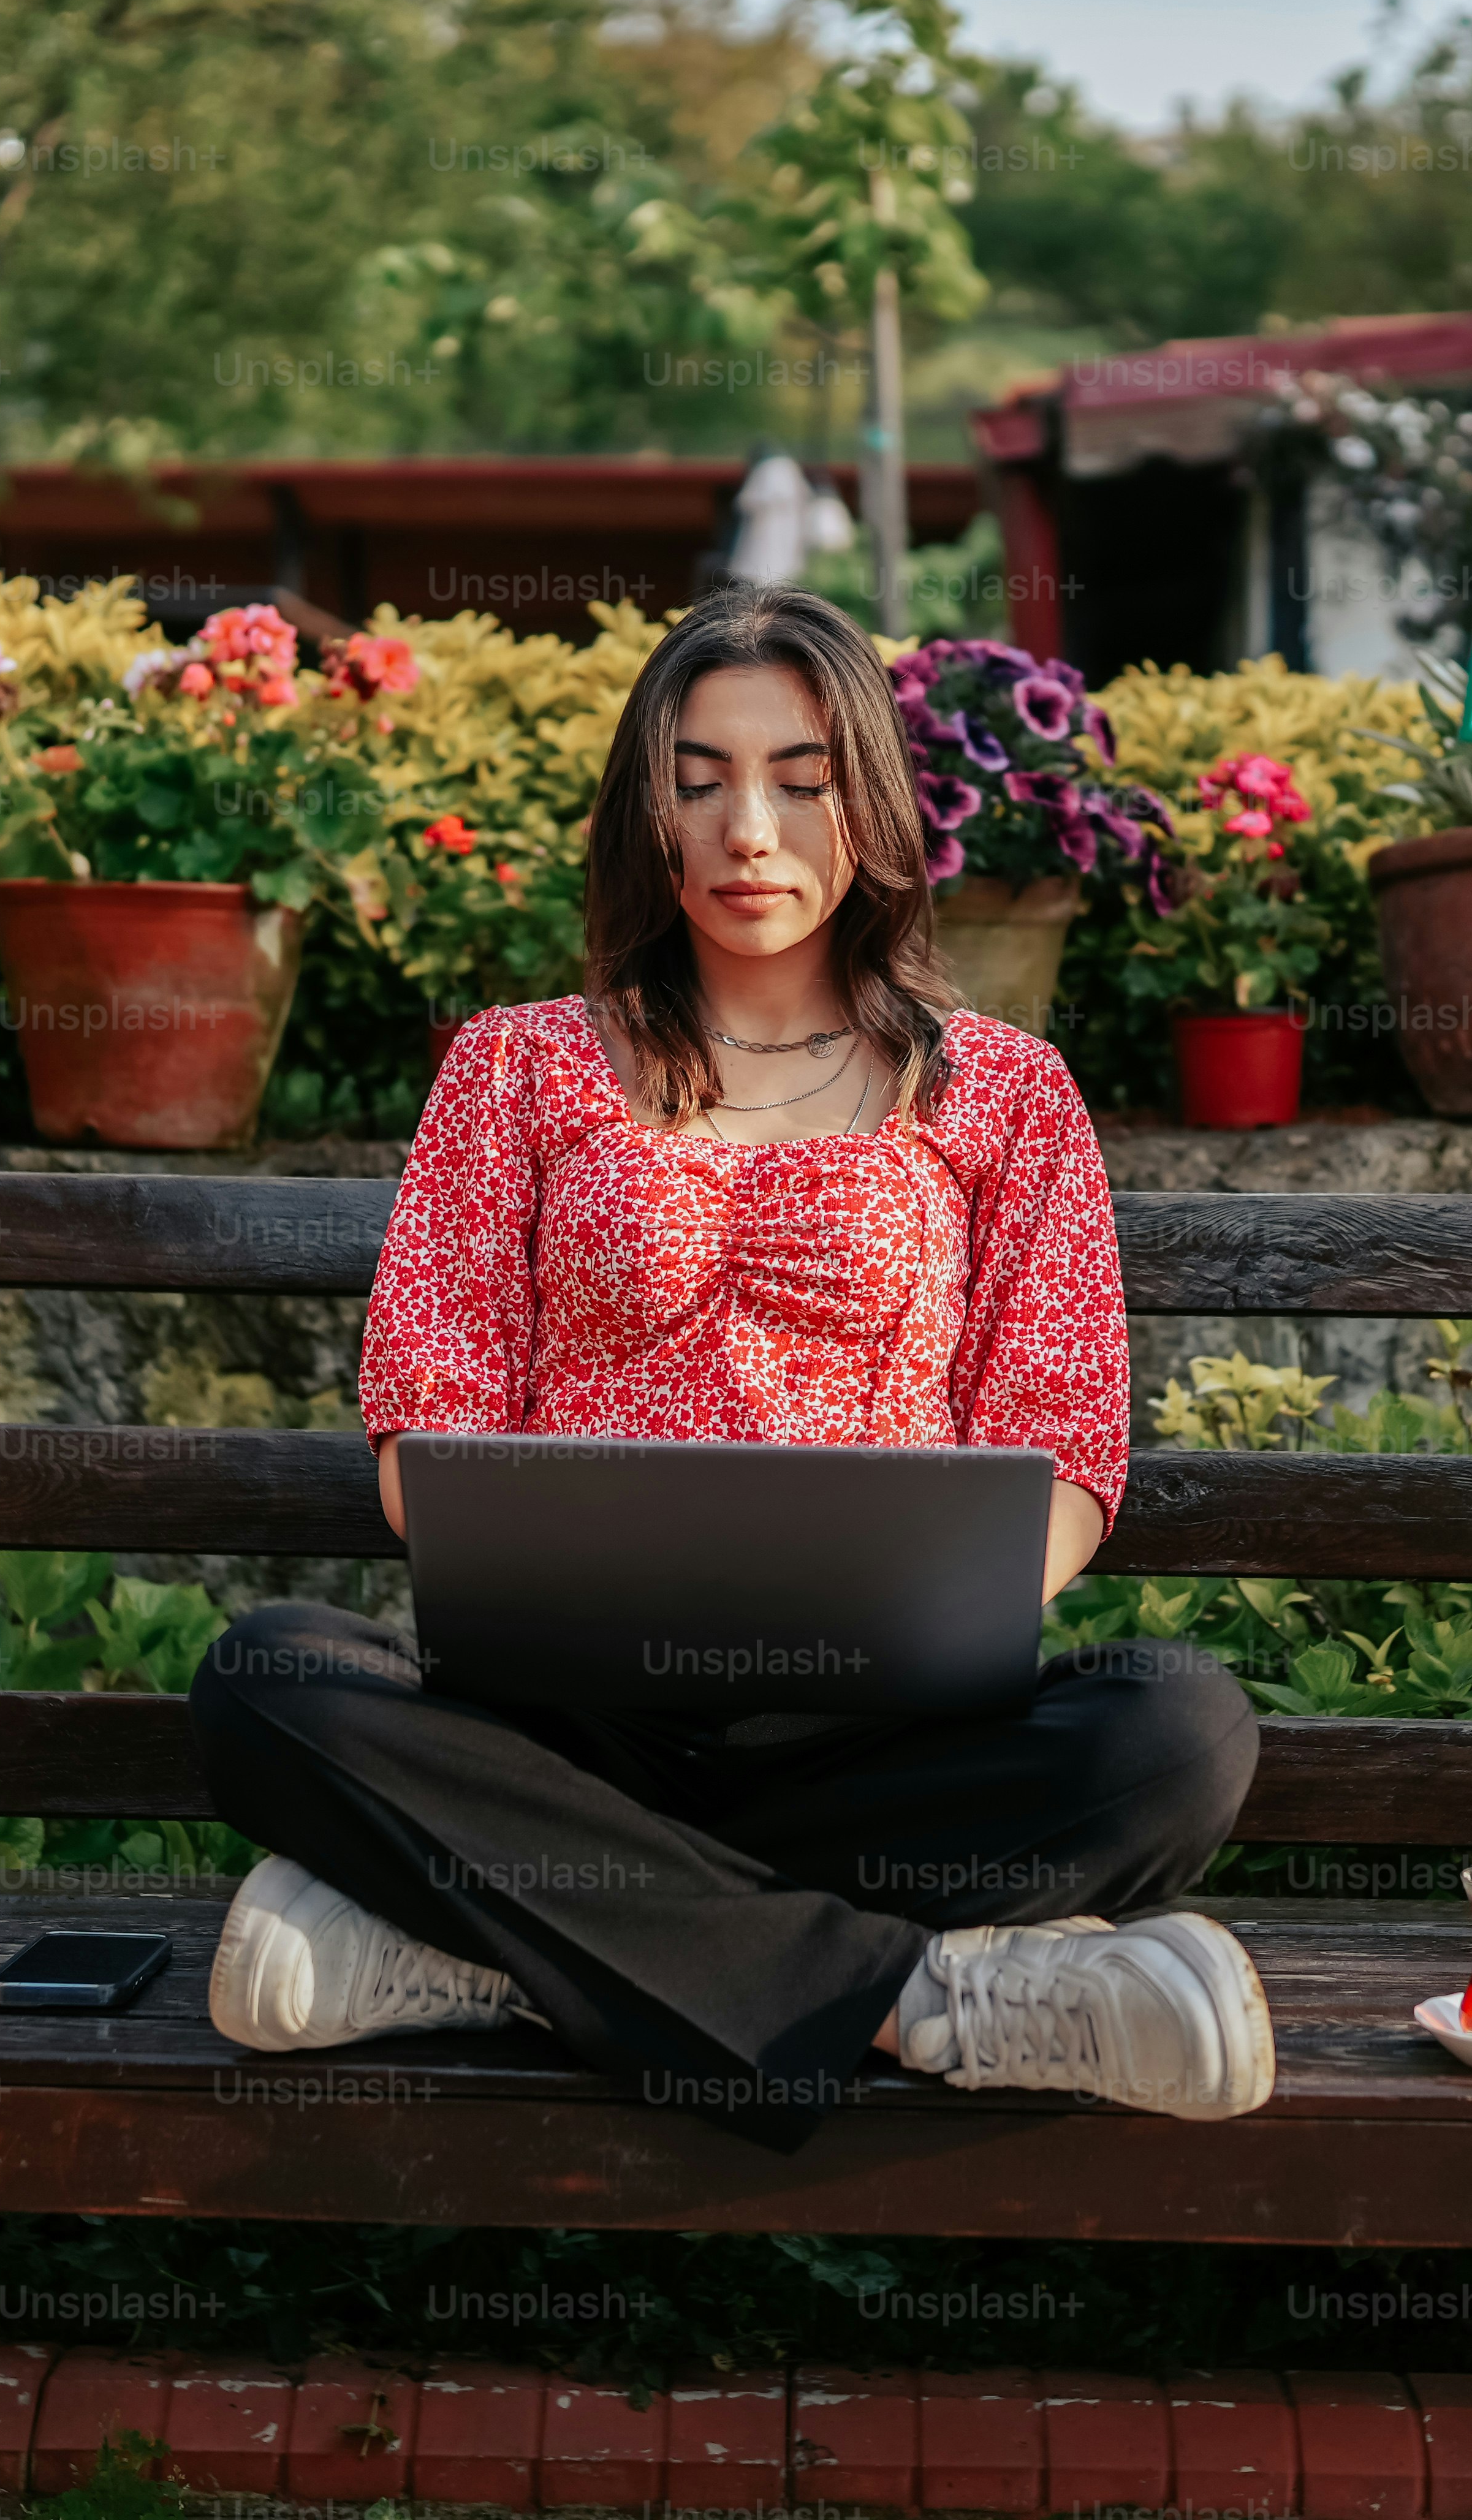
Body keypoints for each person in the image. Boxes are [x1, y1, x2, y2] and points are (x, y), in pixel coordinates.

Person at [181, 585, 1272, 2154]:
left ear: (872, 797)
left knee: (1177, 1731)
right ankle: (924, 2001)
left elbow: (1065, 1445)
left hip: (881, 1741)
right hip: (569, 1730)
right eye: (699, 778)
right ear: (649, 809)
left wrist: (920, 1602)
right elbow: (426, 1412)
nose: (747, 826)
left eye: (801, 776)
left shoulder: (1007, 1092)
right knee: (266, 1679)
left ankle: (492, 1948)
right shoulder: (514, 1067)